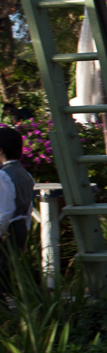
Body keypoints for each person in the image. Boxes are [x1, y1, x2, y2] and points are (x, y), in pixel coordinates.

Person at [0, 127, 34, 297]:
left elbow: (5, 210)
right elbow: (28, 207)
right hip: (19, 229)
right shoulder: (26, 174)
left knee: (5, 275)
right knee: (8, 273)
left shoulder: (3, 176)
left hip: (7, 230)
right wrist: (25, 231)